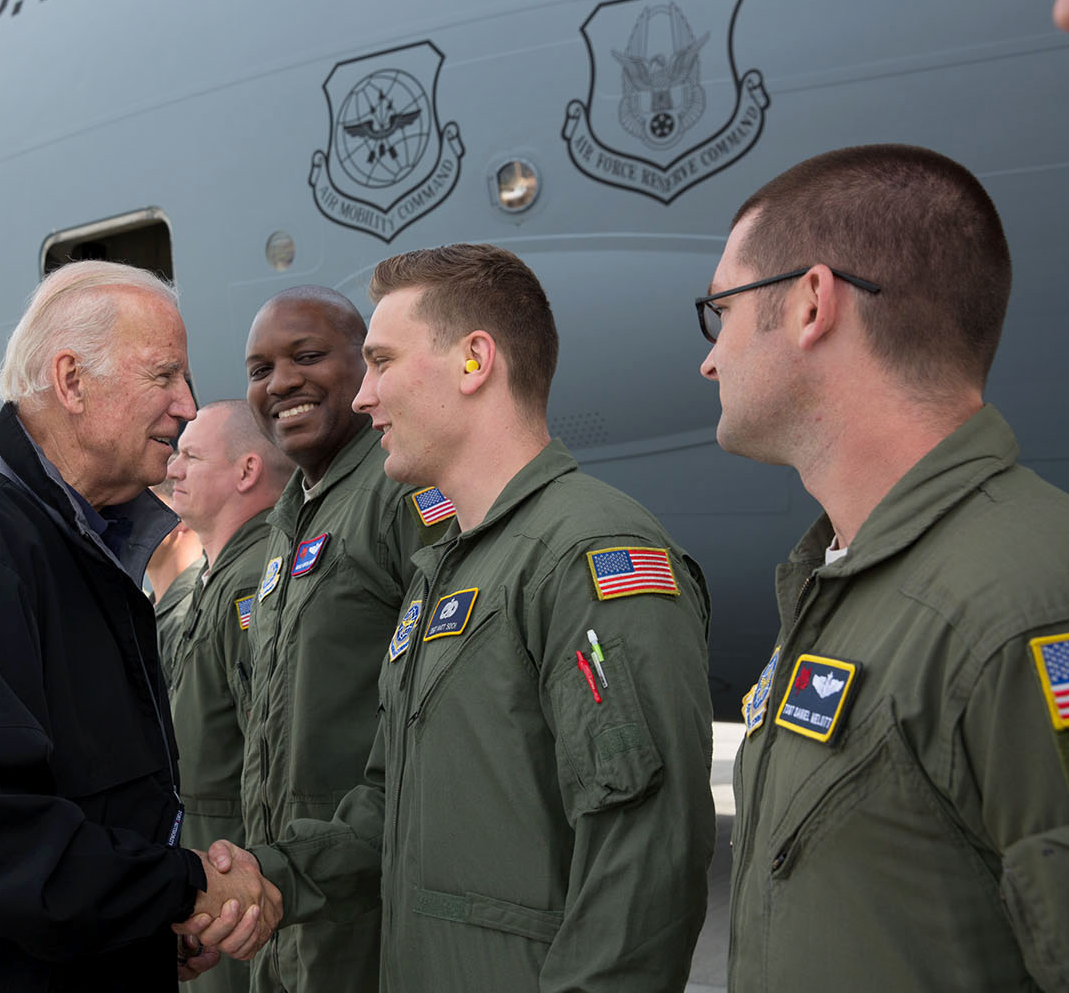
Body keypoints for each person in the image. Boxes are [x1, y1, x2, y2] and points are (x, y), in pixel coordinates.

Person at [190, 245, 716, 990]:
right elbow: (386, 807)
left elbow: (643, 861)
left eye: (382, 362)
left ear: (474, 362)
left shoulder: (586, 555)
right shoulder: (448, 569)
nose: (365, 397)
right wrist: (273, 876)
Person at [0, 261, 277, 991]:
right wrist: (183, 887)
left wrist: (138, 935)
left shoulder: (68, 553)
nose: (187, 405)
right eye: (164, 376)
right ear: (71, 381)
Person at [696, 144, 1069, 991]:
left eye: (720, 310)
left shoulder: (1016, 609)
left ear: (811, 304)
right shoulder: (854, 578)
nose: (710, 358)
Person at [233, 285, 453, 992]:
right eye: (260, 370)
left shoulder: (399, 493)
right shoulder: (290, 516)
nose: (282, 383)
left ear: (363, 367)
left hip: (369, 906)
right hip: (291, 903)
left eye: (307, 356)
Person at [161, 399, 292, 993]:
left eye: (191, 456)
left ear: (245, 472)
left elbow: (267, 753)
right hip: (202, 861)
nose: (172, 469)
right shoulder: (214, 579)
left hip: (235, 867)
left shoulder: (253, 581)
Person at [149, 478, 206, 672]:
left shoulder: (191, 613)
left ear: (179, 514)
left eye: (143, 508)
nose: (128, 520)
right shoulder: (150, 611)